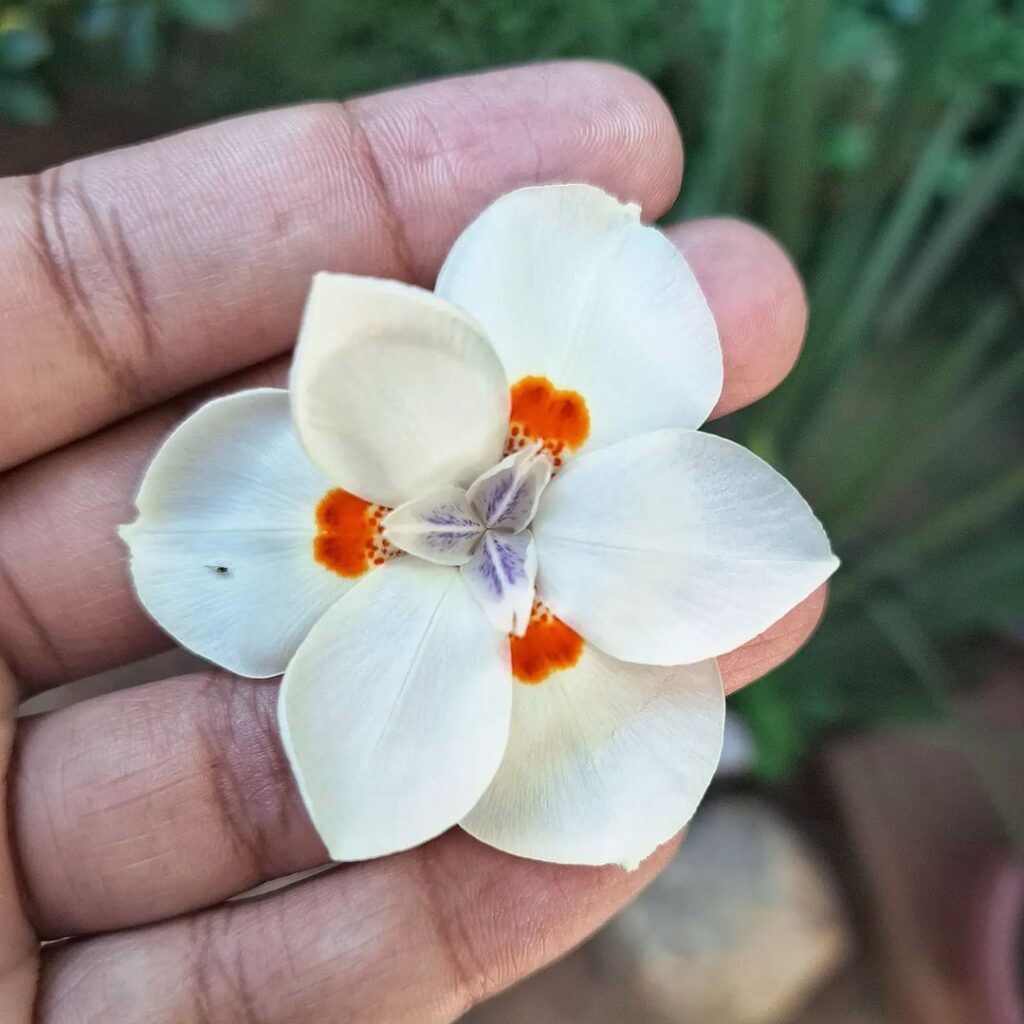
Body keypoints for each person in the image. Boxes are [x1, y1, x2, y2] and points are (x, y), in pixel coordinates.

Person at [0, 61, 825, 1024]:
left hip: (482, 558)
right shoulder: (468, 414)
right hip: (407, 519)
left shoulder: (547, 396)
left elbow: (591, 275)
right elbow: (202, 533)